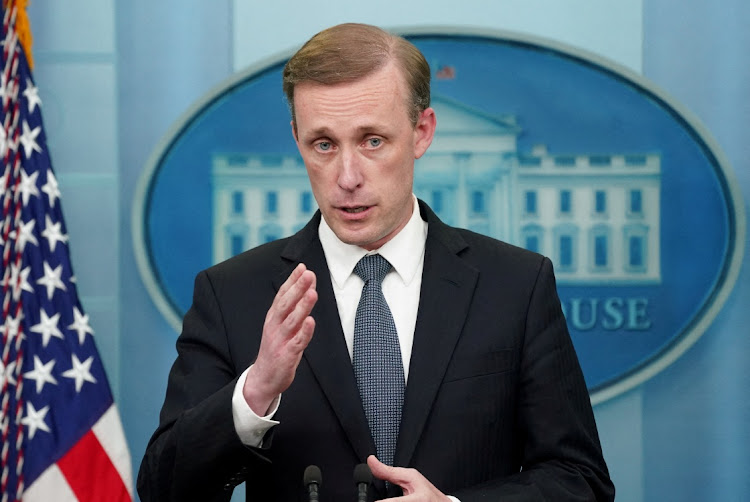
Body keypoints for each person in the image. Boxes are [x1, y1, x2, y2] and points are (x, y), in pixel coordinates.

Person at [138, 23, 615, 502]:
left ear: (421, 132)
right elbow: (163, 489)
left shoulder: (516, 285)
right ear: (297, 139)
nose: (347, 178)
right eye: (323, 144)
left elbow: (581, 481)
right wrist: (255, 391)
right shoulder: (233, 294)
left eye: (372, 141)